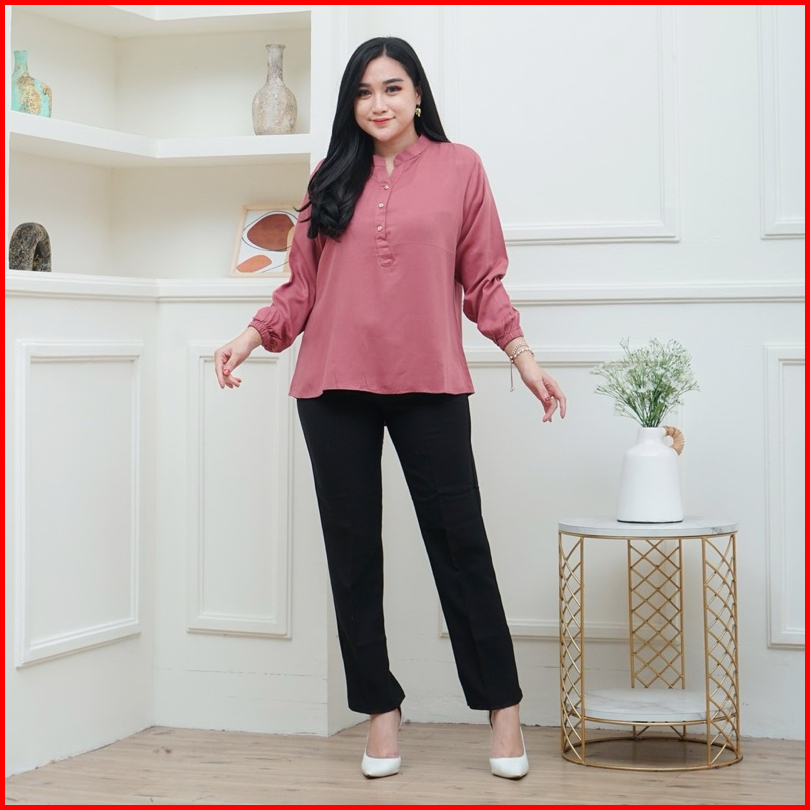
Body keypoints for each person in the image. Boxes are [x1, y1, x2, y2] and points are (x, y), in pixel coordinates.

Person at [214, 36, 566, 780]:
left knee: (461, 546)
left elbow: (484, 279)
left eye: (393, 88)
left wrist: (523, 357)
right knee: (352, 556)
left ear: (417, 94)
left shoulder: (460, 167)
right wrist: (251, 337)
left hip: (429, 382)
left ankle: (503, 709)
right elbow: (300, 288)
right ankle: (380, 712)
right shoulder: (329, 176)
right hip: (332, 386)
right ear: (353, 103)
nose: (378, 103)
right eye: (364, 91)